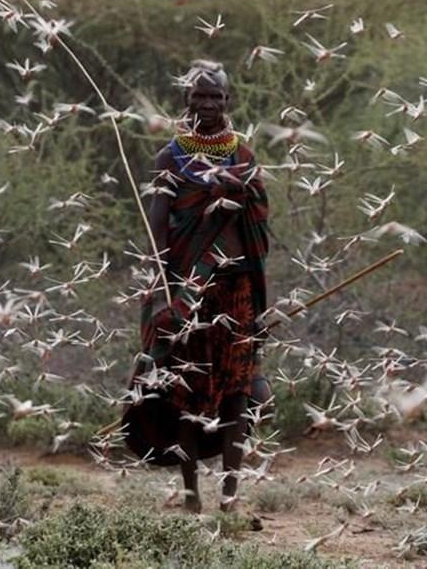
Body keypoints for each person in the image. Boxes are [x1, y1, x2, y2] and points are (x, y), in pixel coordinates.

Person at [122, 59, 272, 514]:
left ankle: (230, 496)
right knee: (183, 391)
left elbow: (259, 224)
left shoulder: (243, 156)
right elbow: (159, 218)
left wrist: (239, 192)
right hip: (188, 291)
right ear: (186, 100)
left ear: (229, 101)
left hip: (238, 289)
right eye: (199, 96)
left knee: (238, 393)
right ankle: (190, 495)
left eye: (216, 96)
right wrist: (161, 277)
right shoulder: (171, 157)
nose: (208, 103)